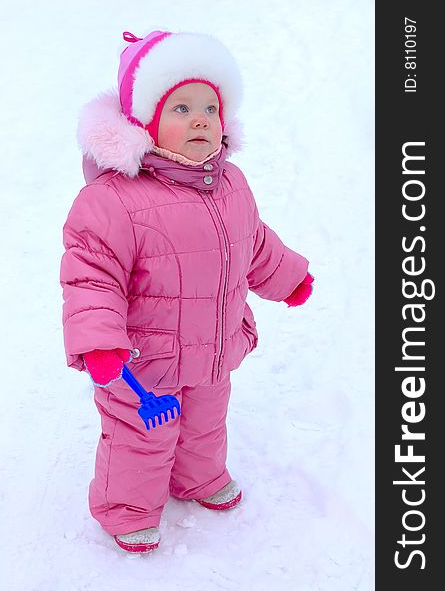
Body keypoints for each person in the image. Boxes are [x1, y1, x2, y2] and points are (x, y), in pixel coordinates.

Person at [60, 29, 314, 554]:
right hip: (141, 360)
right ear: (145, 122)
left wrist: (286, 277)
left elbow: (254, 243)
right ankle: (126, 508)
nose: (200, 119)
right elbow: (91, 274)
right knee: (140, 438)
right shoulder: (113, 200)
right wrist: (100, 341)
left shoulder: (231, 184)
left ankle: (197, 479)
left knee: (205, 423)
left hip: (214, 347)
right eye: (180, 107)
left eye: (210, 108)